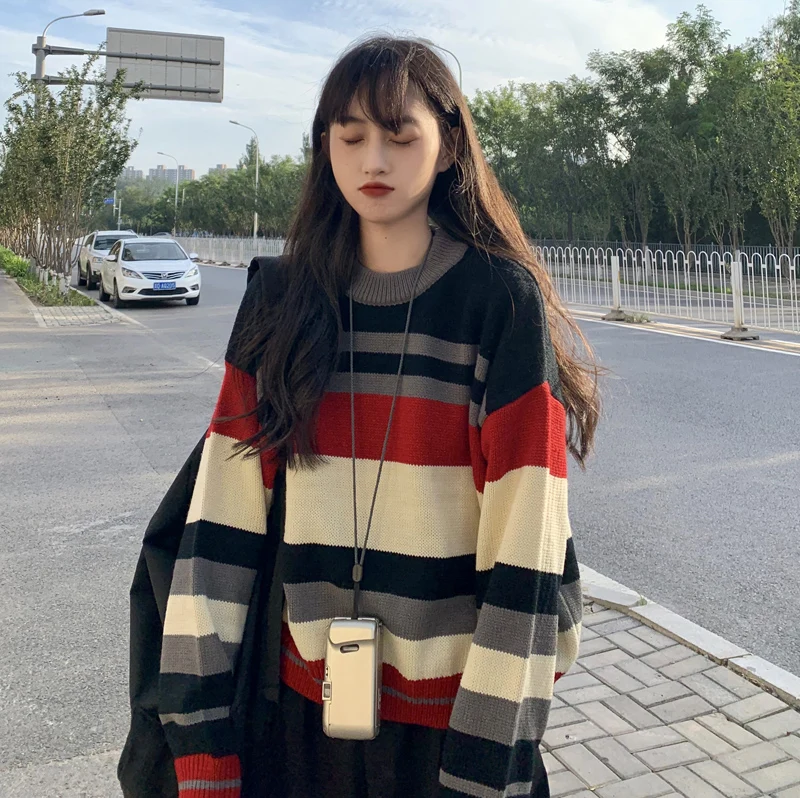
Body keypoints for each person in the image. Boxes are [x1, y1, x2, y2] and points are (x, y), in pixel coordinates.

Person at [122, 34, 601, 798]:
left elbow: (527, 555)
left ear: (449, 145)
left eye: (400, 134)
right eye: (350, 137)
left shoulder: (497, 304)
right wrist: (204, 753)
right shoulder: (279, 302)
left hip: (448, 736)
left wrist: (481, 769)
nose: (374, 160)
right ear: (326, 148)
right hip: (292, 727)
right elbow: (219, 531)